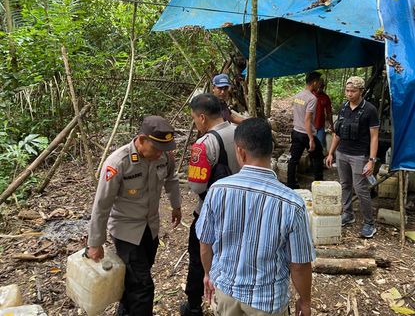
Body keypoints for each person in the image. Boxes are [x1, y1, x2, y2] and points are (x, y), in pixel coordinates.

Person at [196, 118, 315, 316]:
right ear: (271, 149)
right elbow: (300, 264)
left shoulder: (218, 190)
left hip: (225, 292)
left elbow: (205, 243)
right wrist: (305, 300)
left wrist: (208, 274)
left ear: (240, 151)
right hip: (267, 301)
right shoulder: (292, 203)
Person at [87, 116, 182, 316]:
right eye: (155, 148)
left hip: (151, 228)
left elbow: (172, 179)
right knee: (143, 287)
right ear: (140, 139)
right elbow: (102, 205)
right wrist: (95, 243)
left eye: (163, 149)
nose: (159, 154)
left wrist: (176, 206)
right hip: (126, 231)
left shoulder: (164, 156)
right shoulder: (118, 162)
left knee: (133, 279)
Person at [180, 93, 241, 316]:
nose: (195, 122)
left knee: (198, 257)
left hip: (211, 210)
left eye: (195, 118)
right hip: (240, 207)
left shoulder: (204, 144)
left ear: (203, 117)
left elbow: (196, 186)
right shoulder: (239, 133)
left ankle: (194, 306)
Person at [325, 76, 379, 238]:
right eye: (347, 91)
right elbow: (337, 133)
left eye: (353, 91)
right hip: (342, 153)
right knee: (345, 185)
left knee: (361, 189)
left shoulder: (370, 110)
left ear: (361, 91)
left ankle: (369, 223)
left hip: (359, 155)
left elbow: (374, 137)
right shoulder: (343, 108)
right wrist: (331, 153)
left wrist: (371, 160)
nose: (349, 94)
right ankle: (348, 214)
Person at [287, 71, 324, 189]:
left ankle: (291, 184)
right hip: (305, 133)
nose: (320, 85)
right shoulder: (312, 98)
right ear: (314, 83)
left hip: (296, 132)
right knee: (318, 156)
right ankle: (319, 183)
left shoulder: (297, 96)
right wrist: (311, 139)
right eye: (319, 82)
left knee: (294, 159)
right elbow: (307, 120)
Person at [313, 78, 334, 153]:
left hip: (320, 125)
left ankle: (320, 160)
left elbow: (329, 112)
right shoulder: (310, 95)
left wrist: (331, 125)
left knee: (320, 144)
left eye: (322, 86)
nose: (320, 88)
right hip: (310, 125)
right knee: (310, 144)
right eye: (319, 86)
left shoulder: (325, 97)